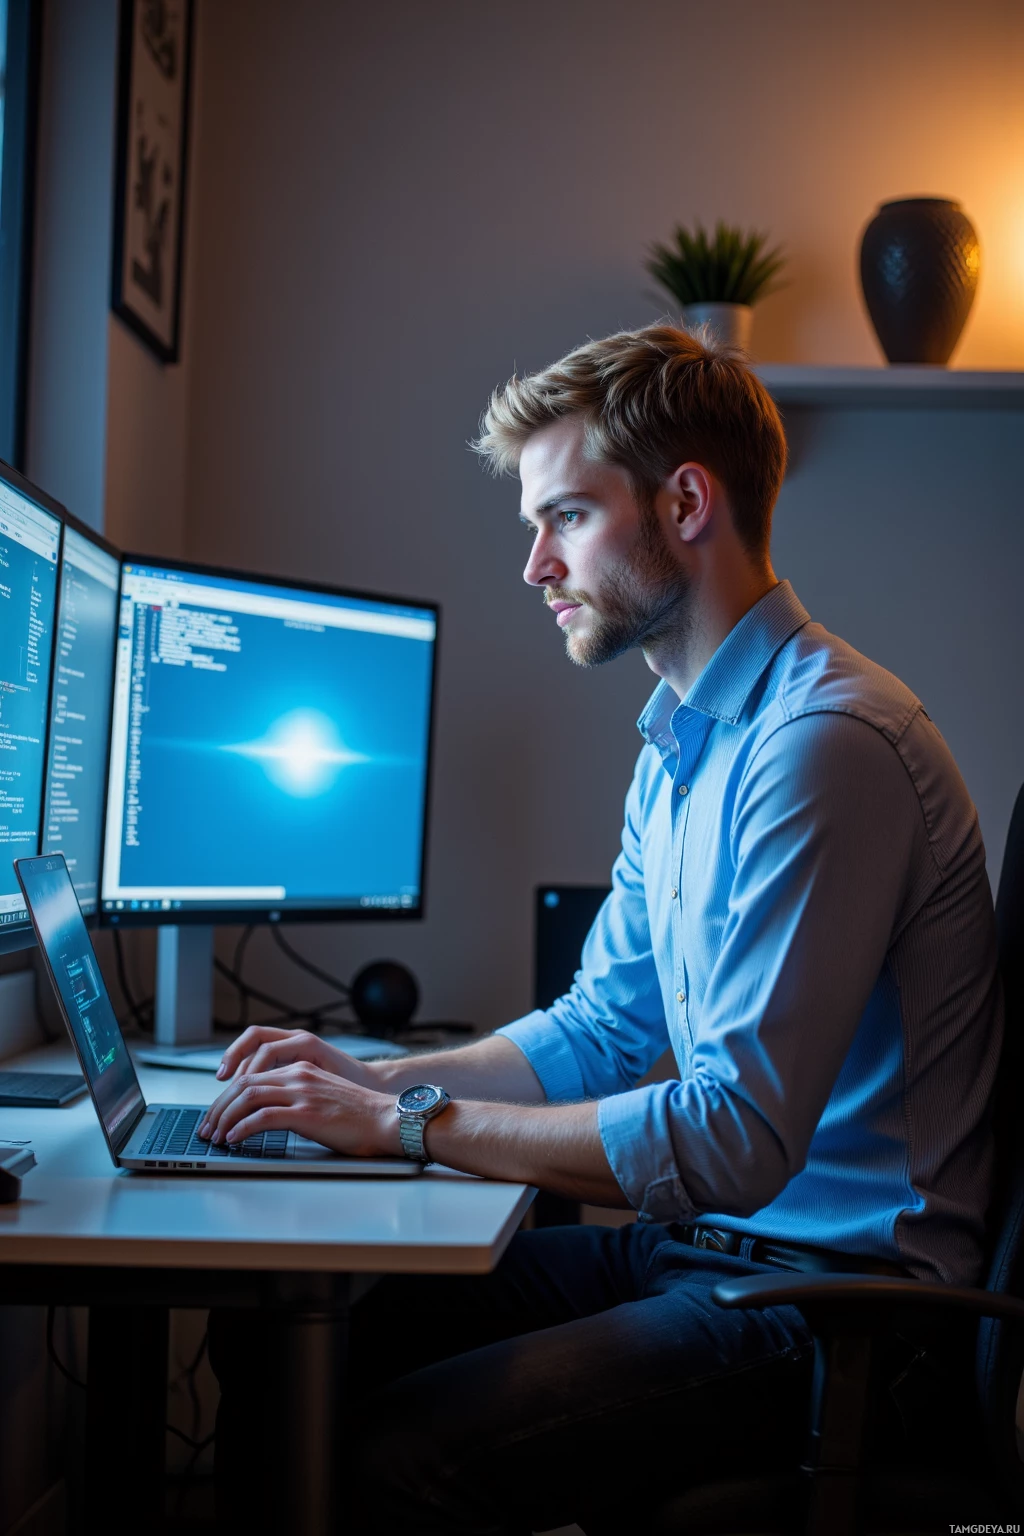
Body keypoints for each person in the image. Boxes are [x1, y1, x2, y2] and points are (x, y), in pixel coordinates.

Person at [204, 325, 1002, 1533]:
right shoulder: (682, 743)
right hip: (718, 1255)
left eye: (565, 517)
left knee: (398, 1457)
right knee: (284, 1325)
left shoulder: (825, 749)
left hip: (846, 1312)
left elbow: (734, 1135)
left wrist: (406, 1126)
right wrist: (368, 1086)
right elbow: (601, 1027)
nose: (534, 565)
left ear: (685, 503)